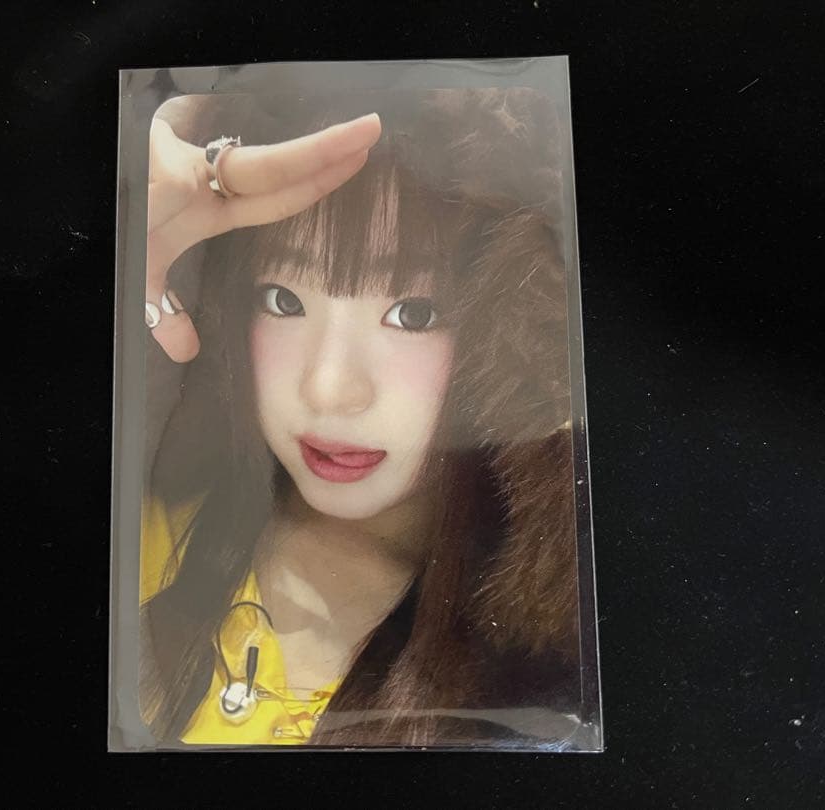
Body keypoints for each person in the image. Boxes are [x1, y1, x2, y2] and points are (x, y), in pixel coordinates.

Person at [138, 87, 582, 747]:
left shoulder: (562, 668)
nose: (328, 389)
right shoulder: (143, 537)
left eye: (414, 314)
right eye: (282, 299)